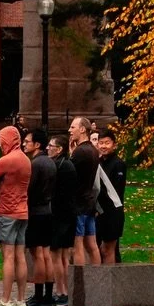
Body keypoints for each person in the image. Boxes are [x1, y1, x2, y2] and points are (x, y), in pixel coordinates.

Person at [0, 124, 30, 306]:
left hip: (8, 212)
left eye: (1, 140)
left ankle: (5, 300)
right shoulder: (26, 160)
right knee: (20, 256)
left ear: (8, 140)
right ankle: (21, 300)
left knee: (8, 257)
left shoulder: (6, 160)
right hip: (23, 212)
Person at [23, 128, 57, 306]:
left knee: (37, 255)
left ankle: (38, 295)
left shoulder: (35, 164)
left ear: (37, 144)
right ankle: (49, 295)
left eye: (27, 141)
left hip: (35, 212)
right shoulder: (50, 163)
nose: (24, 144)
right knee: (46, 254)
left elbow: (30, 189)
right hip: (47, 210)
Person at [48, 131, 78, 306]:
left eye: (51, 146)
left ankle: (61, 291)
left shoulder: (61, 166)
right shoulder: (66, 164)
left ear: (59, 149)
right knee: (63, 255)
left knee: (56, 255)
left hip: (60, 216)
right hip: (67, 215)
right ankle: (65, 290)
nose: (48, 149)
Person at [69, 115, 102, 269]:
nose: (70, 130)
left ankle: (80, 281)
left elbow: (70, 175)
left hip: (79, 203)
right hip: (89, 202)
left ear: (82, 129)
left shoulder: (80, 152)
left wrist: (71, 155)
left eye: (73, 127)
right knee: (92, 243)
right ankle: (96, 279)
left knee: (78, 243)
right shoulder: (93, 151)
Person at [96, 125, 127, 264]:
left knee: (108, 249)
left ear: (114, 145)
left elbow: (116, 190)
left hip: (113, 211)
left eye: (107, 143)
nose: (103, 146)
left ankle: (110, 281)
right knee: (99, 248)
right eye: (101, 143)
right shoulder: (98, 162)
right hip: (99, 211)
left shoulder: (118, 164)